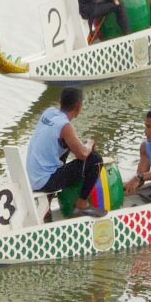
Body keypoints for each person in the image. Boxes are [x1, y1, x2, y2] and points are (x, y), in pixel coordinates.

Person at [25, 86, 104, 217]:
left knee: (65, 147)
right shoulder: (65, 126)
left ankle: (47, 208)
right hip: (44, 181)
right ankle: (82, 204)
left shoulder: (48, 112)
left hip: (31, 178)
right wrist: (90, 143)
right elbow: (83, 154)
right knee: (95, 160)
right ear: (79, 107)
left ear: (60, 101)